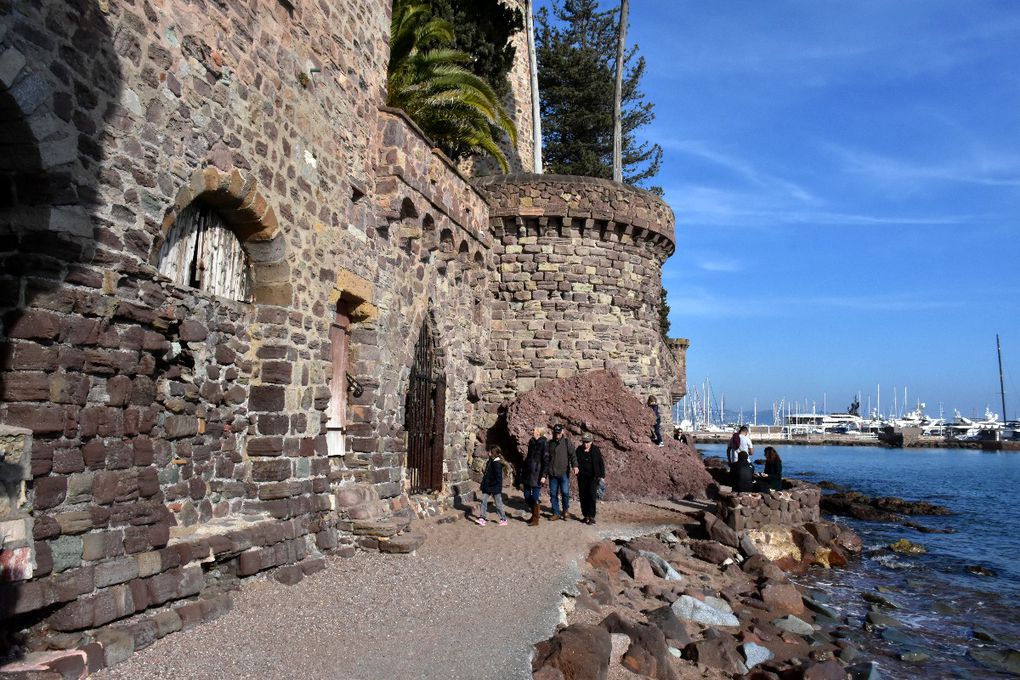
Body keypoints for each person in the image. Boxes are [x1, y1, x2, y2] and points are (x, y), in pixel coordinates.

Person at [546, 424, 577, 520]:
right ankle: (556, 513)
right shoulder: (549, 443)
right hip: (552, 473)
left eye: (559, 432)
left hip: (563, 472)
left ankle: (565, 511)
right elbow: (546, 458)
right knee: (553, 494)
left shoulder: (567, 442)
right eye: (556, 432)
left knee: (565, 493)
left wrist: (575, 466)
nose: (557, 434)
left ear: (562, 432)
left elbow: (573, 455)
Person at [575, 432, 605, 525]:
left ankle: (591, 516)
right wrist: (575, 467)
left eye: (587, 442)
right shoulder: (579, 450)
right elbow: (575, 461)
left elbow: (601, 463)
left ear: (591, 442)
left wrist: (602, 476)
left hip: (593, 477)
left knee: (591, 496)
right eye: (584, 442)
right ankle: (585, 516)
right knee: (583, 496)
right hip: (582, 477)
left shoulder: (596, 450)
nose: (585, 444)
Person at [476, 446, 508, 526]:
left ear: (493, 453)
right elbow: (487, 474)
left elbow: (498, 478)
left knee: (498, 504)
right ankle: (482, 518)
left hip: (495, 487)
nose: (488, 452)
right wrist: (483, 484)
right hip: (488, 486)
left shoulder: (497, 464)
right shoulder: (490, 461)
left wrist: (490, 484)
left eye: (489, 451)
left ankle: (503, 519)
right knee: (483, 500)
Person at [523, 426, 549, 525]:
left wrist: (543, 476)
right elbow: (529, 457)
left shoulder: (544, 443)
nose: (533, 431)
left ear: (539, 432)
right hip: (528, 472)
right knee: (526, 494)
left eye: (534, 430)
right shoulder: (532, 442)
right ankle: (534, 513)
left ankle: (536, 518)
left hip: (537, 474)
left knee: (535, 496)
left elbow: (546, 461)